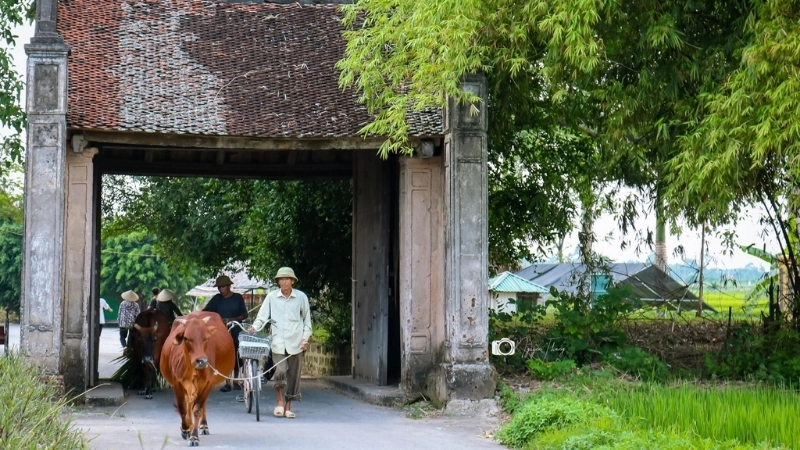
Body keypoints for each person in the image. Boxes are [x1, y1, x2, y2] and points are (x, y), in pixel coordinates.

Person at [249, 267, 312, 419]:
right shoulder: (271, 297)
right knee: (280, 370)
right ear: (278, 281)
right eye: (281, 279)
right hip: (277, 342)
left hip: (296, 342)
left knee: (294, 375)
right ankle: (279, 400)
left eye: (287, 279)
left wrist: (305, 339)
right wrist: (254, 327)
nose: (284, 281)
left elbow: (307, 321)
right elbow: (262, 317)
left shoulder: (301, 297)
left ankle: (289, 404)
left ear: (292, 281)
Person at [203, 275, 248, 392]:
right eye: (219, 287)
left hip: (236, 329)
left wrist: (232, 319)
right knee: (224, 355)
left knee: (237, 355)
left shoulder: (237, 298)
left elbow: (244, 315)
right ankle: (227, 381)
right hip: (221, 332)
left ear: (228, 286)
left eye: (222, 287)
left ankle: (236, 380)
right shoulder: (217, 299)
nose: (220, 290)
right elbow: (206, 312)